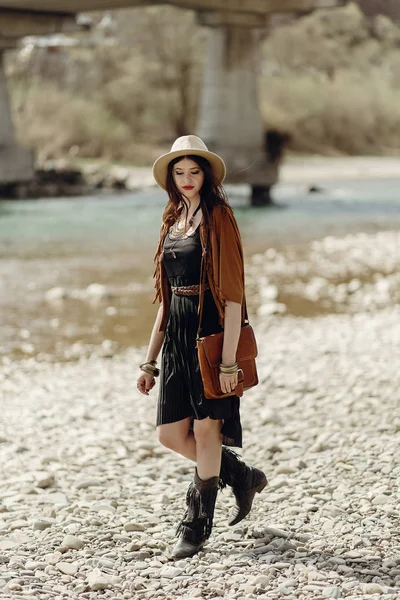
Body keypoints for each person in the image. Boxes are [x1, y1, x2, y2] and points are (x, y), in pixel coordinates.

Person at [137, 135, 267, 559]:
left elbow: (232, 295)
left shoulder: (219, 217)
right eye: (179, 172)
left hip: (210, 334)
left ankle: (195, 527)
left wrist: (229, 360)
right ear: (171, 179)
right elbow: (167, 294)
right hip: (177, 335)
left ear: (206, 175)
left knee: (208, 430)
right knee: (171, 435)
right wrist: (149, 359)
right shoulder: (172, 218)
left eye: (194, 171)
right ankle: (240, 475)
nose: (188, 179)